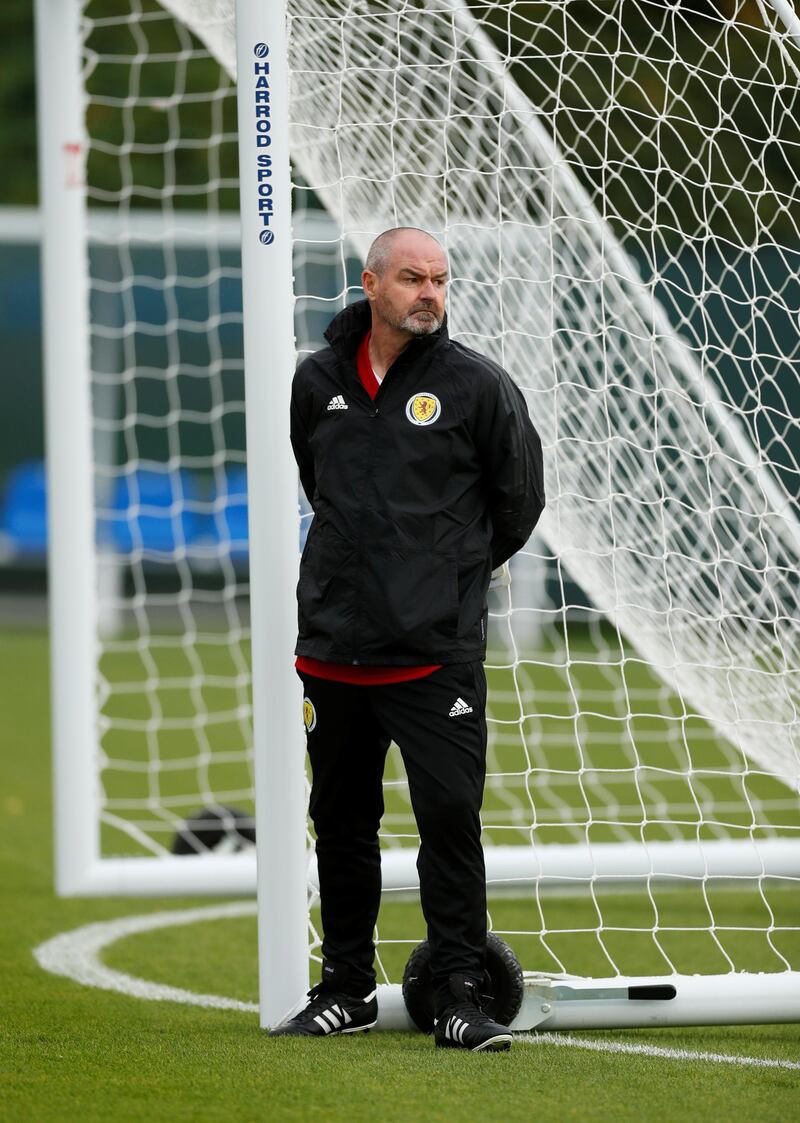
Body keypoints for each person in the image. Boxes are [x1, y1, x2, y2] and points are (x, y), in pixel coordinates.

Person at [269, 228, 545, 1051]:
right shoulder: (316, 380)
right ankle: (346, 986)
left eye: (439, 279)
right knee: (342, 816)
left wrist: (444, 577)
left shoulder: (476, 387)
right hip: (333, 646)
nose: (429, 292)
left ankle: (459, 991)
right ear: (371, 284)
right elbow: (316, 479)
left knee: (449, 816)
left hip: (433, 654)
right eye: (413, 278)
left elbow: (518, 501)